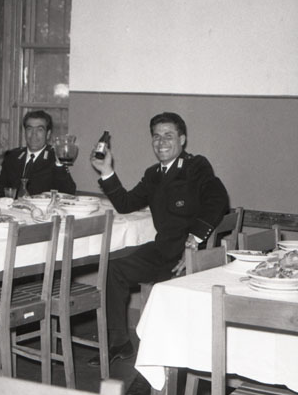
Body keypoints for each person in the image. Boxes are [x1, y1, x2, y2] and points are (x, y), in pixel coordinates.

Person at [88, 112, 229, 379]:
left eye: (168, 136)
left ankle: (156, 372)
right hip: (163, 251)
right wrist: (106, 171)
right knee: (113, 270)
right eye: (156, 136)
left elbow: (218, 198)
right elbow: (126, 204)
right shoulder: (153, 174)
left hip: (190, 255)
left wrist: (194, 240)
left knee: (161, 296)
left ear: (182, 140)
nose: (161, 142)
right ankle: (120, 342)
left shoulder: (196, 166)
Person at [0, 110, 76, 197]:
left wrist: (59, 164)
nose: (34, 134)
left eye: (39, 130)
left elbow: (69, 192)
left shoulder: (54, 158)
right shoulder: (12, 157)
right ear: (25, 132)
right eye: (29, 129)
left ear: (48, 134)